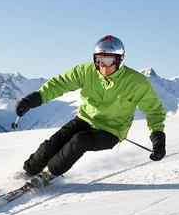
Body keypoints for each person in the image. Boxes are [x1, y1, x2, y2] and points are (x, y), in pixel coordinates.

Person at [14, 35, 167, 186]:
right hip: (85, 119)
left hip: (112, 130)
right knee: (53, 143)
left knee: (80, 141)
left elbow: (154, 111)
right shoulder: (87, 71)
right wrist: (32, 99)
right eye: (98, 60)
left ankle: (50, 174)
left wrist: (158, 139)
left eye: (108, 61)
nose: (103, 66)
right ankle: (28, 171)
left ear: (120, 60)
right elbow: (60, 84)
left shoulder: (136, 82)